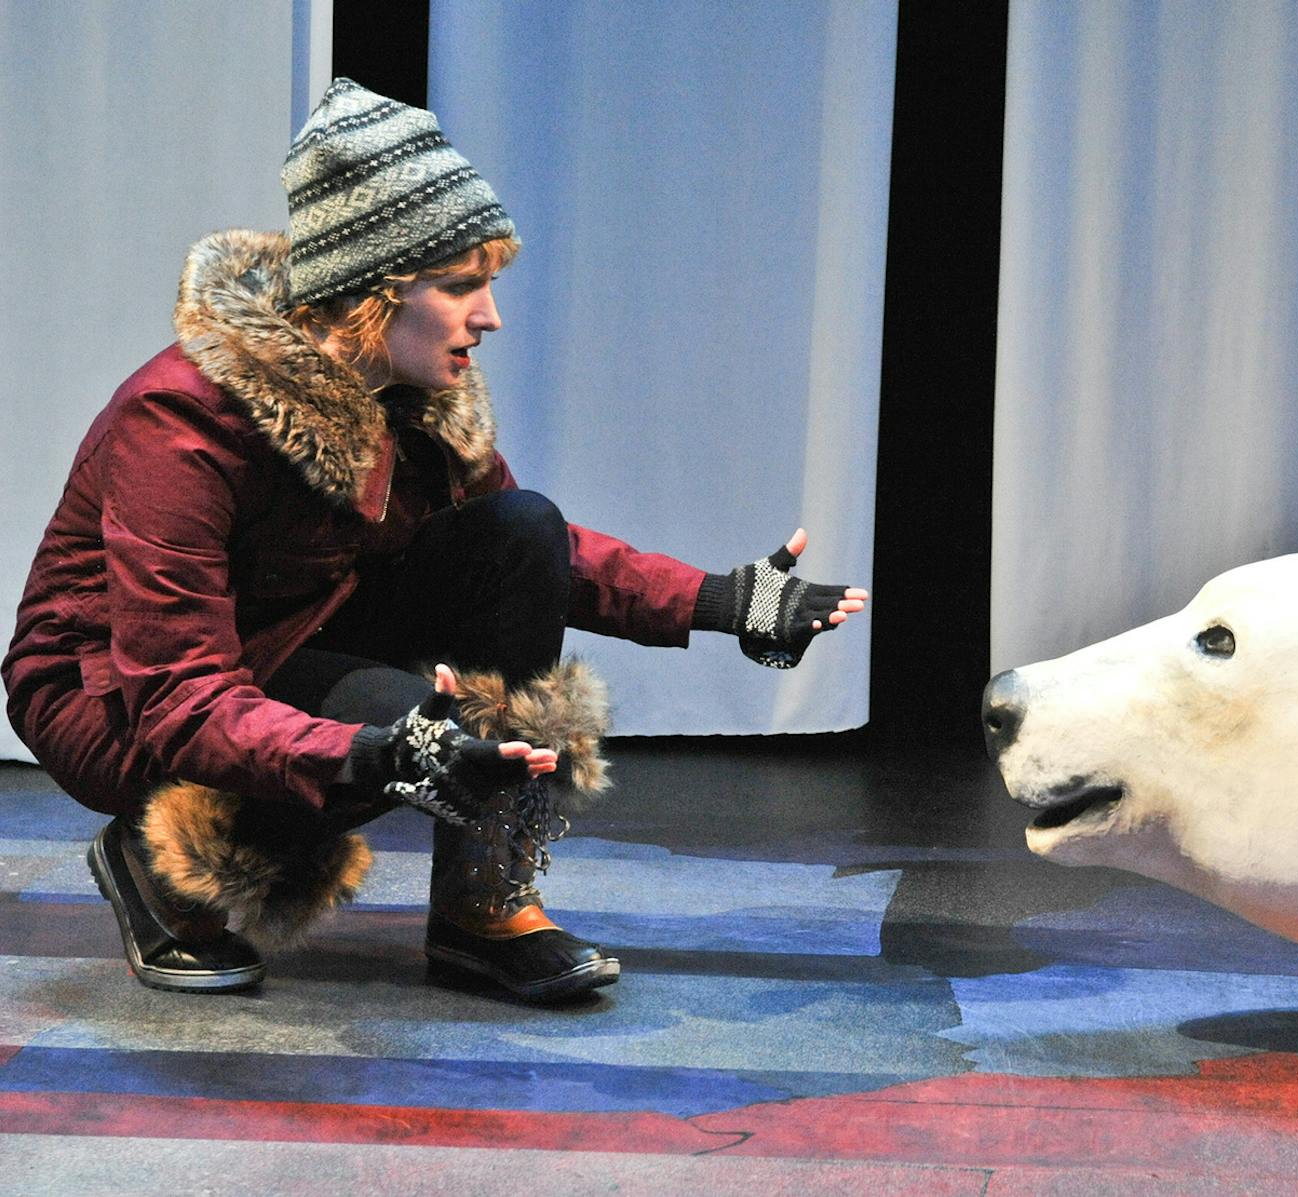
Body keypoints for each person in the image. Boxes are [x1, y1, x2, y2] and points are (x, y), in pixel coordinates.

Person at [2, 79, 867, 1004]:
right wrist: (377, 751)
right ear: (370, 295)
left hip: (290, 638)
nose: (489, 315)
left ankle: (480, 904)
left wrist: (717, 601)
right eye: (460, 286)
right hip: (119, 695)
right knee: (413, 722)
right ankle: (158, 866)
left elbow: (545, 559)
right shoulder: (182, 420)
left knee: (519, 531)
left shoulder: (416, 402)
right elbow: (175, 691)